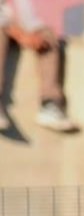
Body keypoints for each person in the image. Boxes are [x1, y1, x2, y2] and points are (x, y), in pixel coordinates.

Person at [0, 0, 78, 133]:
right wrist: (22, 36)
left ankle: (50, 104)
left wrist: (35, 32)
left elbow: (27, 16)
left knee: (47, 35)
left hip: (10, 24)